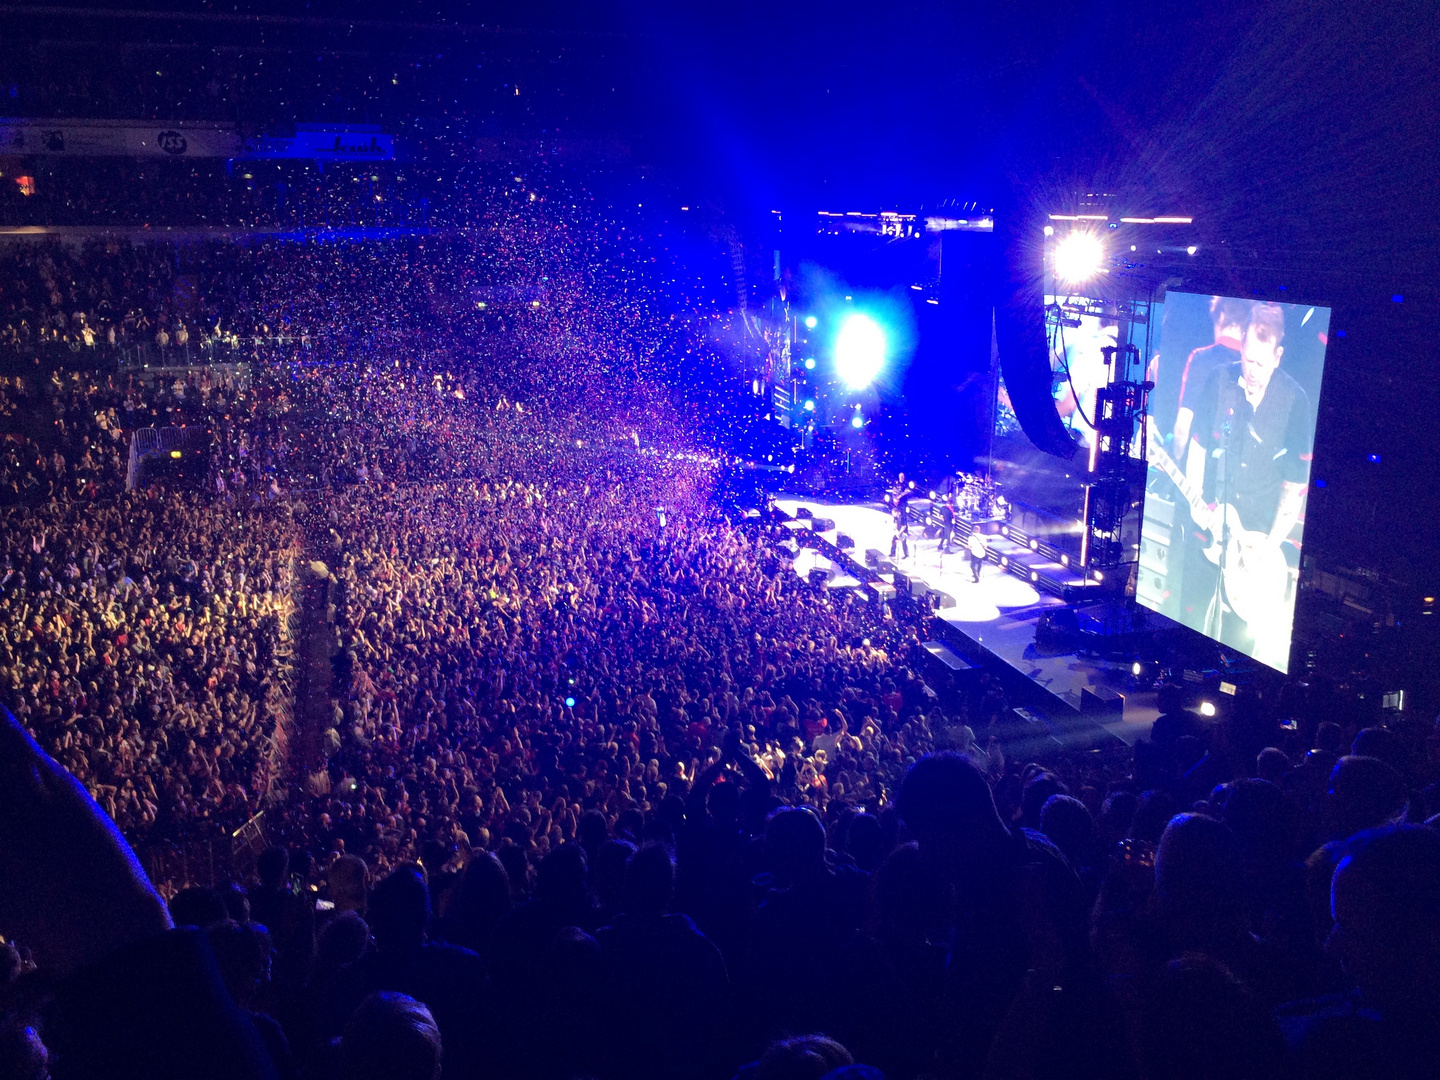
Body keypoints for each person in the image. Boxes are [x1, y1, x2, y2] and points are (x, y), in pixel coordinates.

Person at [1181, 302, 1313, 663]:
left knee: (1240, 645)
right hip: (1209, 527)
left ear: (1278, 356)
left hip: (1256, 545)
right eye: (1246, 358)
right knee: (1188, 620)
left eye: (1259, 362)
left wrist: (1269, 546)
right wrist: (1197, 503)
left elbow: (1294, 487)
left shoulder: (1294, 401)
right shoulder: (1220, 380)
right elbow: (1197, 447)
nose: (1250, 370)